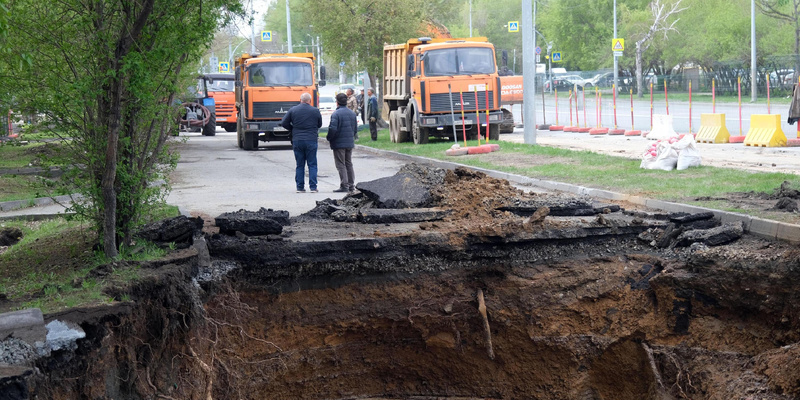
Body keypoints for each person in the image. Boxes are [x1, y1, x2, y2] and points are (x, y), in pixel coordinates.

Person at [281, 92, 322, 193]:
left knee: (300, 165)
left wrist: (293, 129)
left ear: (300, 100)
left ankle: (300, 187)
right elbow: (319, 124)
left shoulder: (293, 110)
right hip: (311, 139)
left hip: (297, 140)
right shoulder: (315, 111)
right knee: (312, 164)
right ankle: (313, 187)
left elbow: (284, 123)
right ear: (310, 101)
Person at [326, 93, 358, 193]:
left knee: (341, 164)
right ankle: (351, 185)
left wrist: (329, 138)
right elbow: (355, 129)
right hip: (349, 142)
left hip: (339, 143)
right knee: (349, 163)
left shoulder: (336, 114)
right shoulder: (352, 113)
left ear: (337, 102)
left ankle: (344, 185)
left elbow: (333, 129)